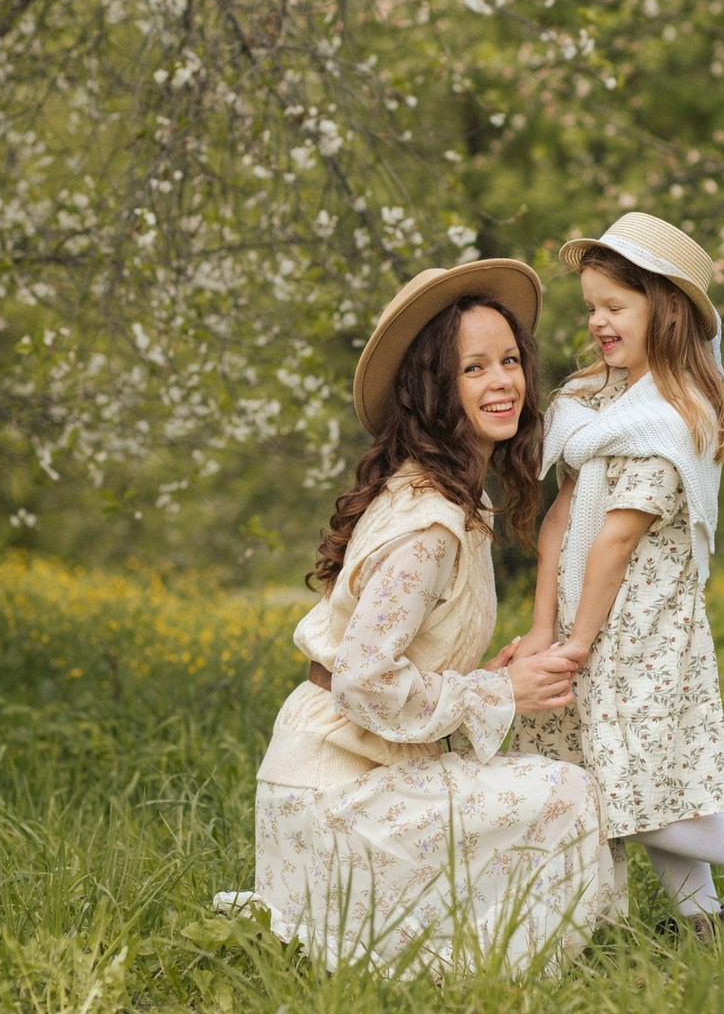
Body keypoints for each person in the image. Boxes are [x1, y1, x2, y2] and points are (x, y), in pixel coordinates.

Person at [214, 259, 625, 976]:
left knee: (550, 771)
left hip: (351, 780)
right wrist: (497, 692)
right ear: (436, 388)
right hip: (336, 800)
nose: (502, 382)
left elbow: (396, 655)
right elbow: (362, 681)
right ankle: (508, 971)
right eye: (473, 368)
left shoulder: (458, 498)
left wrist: (484, 675)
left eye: (509, 361)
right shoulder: (430, 523)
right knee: (567, 791)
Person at [512, 213, 724, 945]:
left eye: (614, 306)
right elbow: (559, 519)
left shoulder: (673, 417)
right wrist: (543, 627)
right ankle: (704, 923)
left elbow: (614, 540)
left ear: (664, 309)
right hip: (584, 619)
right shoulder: (593, 402)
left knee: (633, 793)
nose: (597, 322)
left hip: (641, 634)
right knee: (640, 782)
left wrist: (576, 642)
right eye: (591, 307)